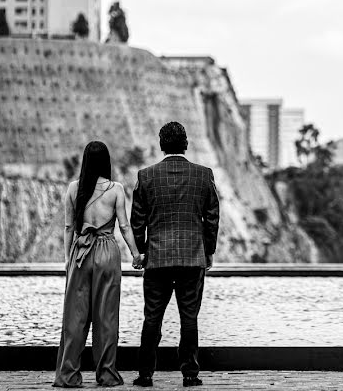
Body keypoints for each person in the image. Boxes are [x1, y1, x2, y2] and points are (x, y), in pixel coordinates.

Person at [131, 121, 220, 388]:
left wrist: (142, 251)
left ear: (161, 145)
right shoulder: (203, 175)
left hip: (157, 259)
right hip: (192, 258)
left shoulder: (146, 176)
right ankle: (190, 375)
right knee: (189, 317)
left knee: (152, 317)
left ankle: (145, 374)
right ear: (186, 144)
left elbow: (138, 220)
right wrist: (209, 251)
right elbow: (212, 218)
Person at [54, 141, 143, 388]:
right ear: (106, 161)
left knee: (75, 317)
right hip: (107, 252)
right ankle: (106, 374)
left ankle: (69, 375)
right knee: (106, 316)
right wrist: (136, 254)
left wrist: (67, 259)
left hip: (81, 253)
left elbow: (69, 227)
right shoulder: (115, 189)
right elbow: (124, 226)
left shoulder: (74, 188)